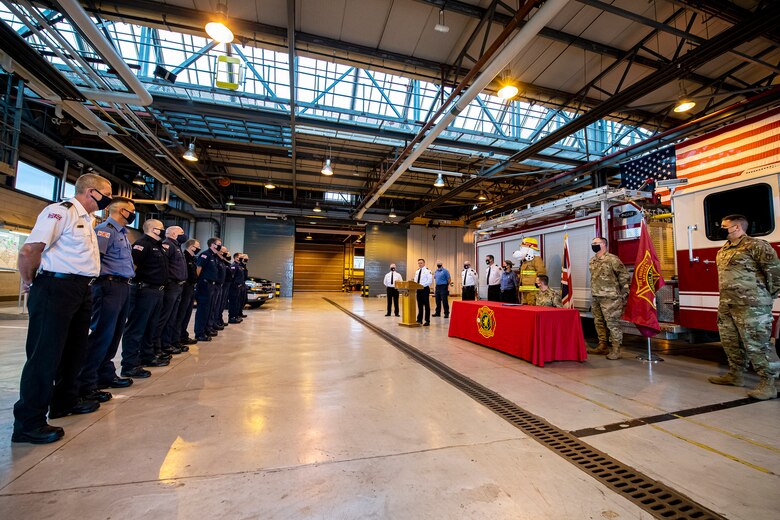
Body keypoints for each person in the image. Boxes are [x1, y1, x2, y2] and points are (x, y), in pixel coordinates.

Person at [12, 173, 111, 444]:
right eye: (107, 193)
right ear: (91, 192)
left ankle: (64, 402)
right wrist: (30, 281)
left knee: (74, 351)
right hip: (55, 288)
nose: (108, 199)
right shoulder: (60, 212)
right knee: (45, 355)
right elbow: (29, 250)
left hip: (81, 289)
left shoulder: (88, 220)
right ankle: (28, 422)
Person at [708, 214, 780, 400]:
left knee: (758, 344)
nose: (721, 228)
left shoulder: (756, 246)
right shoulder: (724, 249)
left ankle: (769, 383)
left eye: (724, 226)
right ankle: (736, 374)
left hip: (752, 306)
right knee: (731, 341)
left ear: (737, 227)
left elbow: (775, 273)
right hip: (727, 304)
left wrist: (765, 297)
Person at [75, 197, 136, 406]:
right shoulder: (105, 230)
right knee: (101, 333)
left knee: (114, 334)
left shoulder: (122, 234)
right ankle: (87, 383)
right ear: (120, 211)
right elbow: (96, 258)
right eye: (131, 210)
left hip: (122, 286)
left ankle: (105, 374)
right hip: (108, 286)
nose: (133, 214)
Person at [121, 219, 170, 378]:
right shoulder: (142, 244)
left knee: (151, 326)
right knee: (137, 327)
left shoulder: (158, 245)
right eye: (161, 228)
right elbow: (132, 266)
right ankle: (129, 364)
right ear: (154, 229)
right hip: (144, 290)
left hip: (157, 291)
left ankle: (147, 356)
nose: (163, 231)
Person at [587, 237, 630, 360]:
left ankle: (616, 349)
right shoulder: (592, 261)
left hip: (610, 297)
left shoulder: (612, 259)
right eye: (592, 243)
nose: (593, 245)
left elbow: (624, 275)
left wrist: (623, 293)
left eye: (596, 243)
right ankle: (602, 346)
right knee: (598, 322)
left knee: (612, 323)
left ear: (604, 244)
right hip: (596, 296)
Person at [156, 226, 189, 356]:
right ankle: (161, 345)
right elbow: (165, 265)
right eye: (182, 232)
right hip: (171, 285)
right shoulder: (168, 245)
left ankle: (169, 342)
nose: (184, 235)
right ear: (174, 233)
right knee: (166, 317)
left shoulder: (176, 246)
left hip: (178, 286)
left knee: (173, 317)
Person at [173, 238, 200, 349]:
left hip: (191, 287)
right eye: (197, 246)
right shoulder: (184, 256)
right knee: (181, 314)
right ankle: (176, 338)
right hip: (185, 287)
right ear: (191, 246)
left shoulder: (193, 259)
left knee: (187, 313)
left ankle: (183, 335)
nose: (198, 248)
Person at [194, 238, 223, 341]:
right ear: (212, 244)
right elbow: (198, 268)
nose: (220, 246)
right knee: (203, 310)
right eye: (218, 244)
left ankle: (207, 329)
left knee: (210, 309)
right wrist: (197, 282)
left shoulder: (214, 256)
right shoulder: (205, 254)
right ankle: (199, 333)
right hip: (204, 285)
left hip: (212, 285)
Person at [513, 237, 547, 305]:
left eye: (523, 247)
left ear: (529, 248)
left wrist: (539, 284)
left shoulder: (536, 259)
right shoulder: (525, 261)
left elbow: (541, 272)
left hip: (533, 291)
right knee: (525, 308)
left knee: (532, 306)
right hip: (524, 290)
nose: (521, 249)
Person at [413, 258, 433, 326]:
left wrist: (421, 285)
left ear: (424, 263)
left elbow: (429, 281)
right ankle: (419, 320)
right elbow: (415, 280)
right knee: (419, 305)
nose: (420, 264)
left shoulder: (428, 271)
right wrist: (416, 285)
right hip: (418, 290)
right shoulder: (417, 271)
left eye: (421, 263)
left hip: (425, 289)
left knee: (426, 305)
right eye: (418, 263)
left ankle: (427, 321)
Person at [228, 252, 246, 324]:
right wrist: (235, 284)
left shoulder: (239, 265)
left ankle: (236, 316)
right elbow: (232, 276)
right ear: (236, 257)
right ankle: (232, 317)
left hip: (239, 286)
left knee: (237, 302)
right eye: (240, 257)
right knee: (233, 302)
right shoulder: (234, 266)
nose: (242, 258)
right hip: (234, 286)